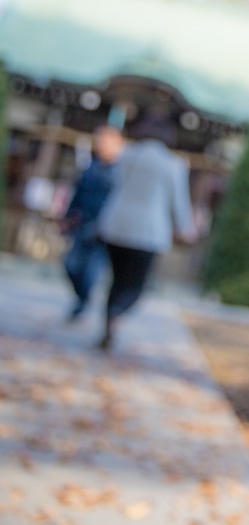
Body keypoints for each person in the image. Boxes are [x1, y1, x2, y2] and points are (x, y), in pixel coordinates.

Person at [96, 109, 196, 351]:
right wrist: (185, 227)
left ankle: (110, 317)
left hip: (116, 225)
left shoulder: (126, 155)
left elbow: (110, 183)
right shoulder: (173, 164)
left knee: (117, 279)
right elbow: (178, 201)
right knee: (136, 284)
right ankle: (117, 314)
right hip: (148, 231)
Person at [60, 124, 124, 321]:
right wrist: (68, 217)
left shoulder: (122, 172)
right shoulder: (92, 167)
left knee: (91, 272)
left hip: (104, 231)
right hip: (82, 224)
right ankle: (82, 297)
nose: (100, 145)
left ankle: (82, 302)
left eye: (104, 141)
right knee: (70, 265)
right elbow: (78, 194)